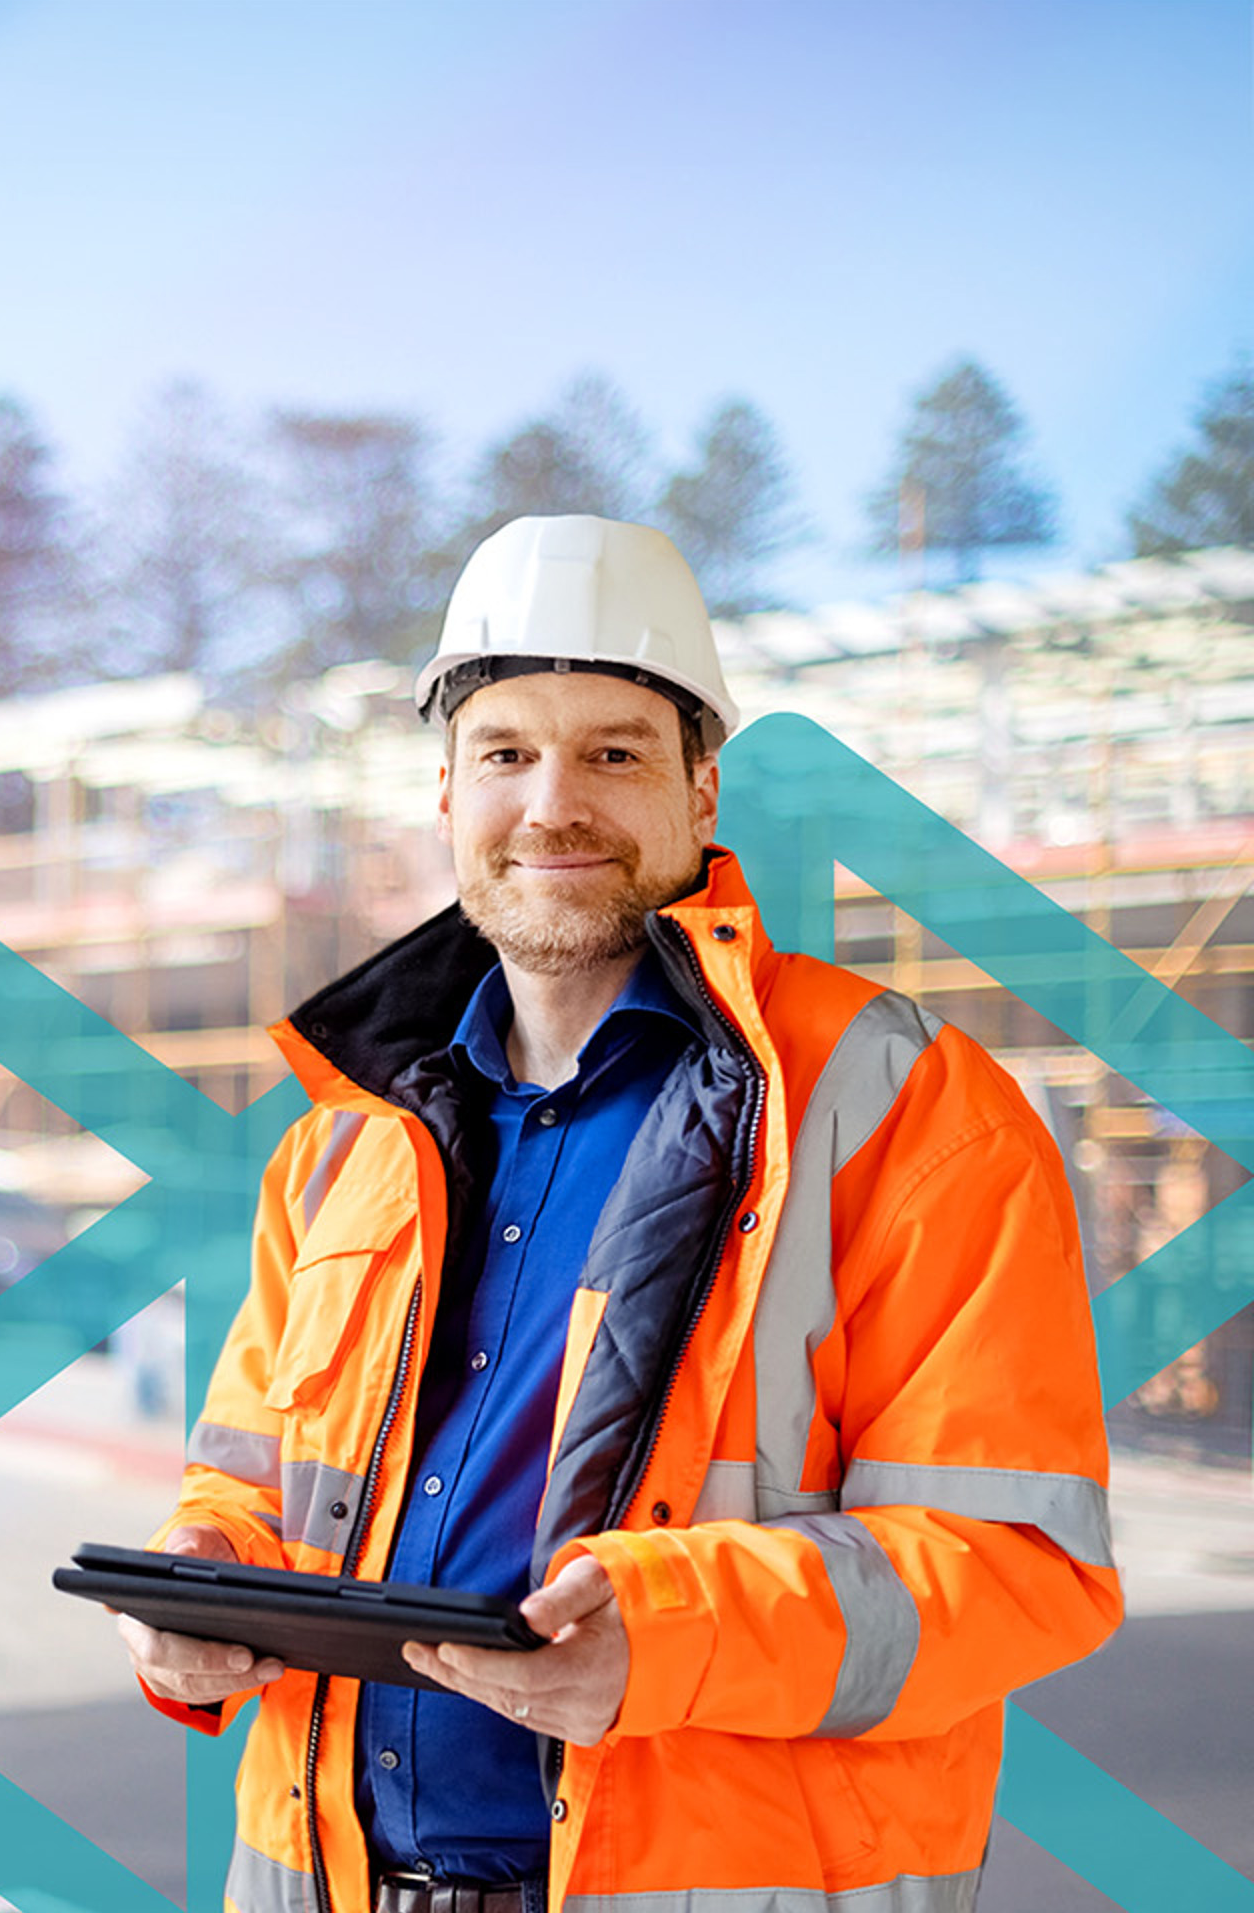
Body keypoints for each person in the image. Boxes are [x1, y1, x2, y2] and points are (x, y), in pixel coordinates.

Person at [121, 516, 1120, 1913]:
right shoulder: (340, 1144)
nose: (552, 805)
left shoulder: (902, 1110)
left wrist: (670, 1642)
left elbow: (1018, 1566)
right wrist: (207, 1578)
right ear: (448, 799)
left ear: (702, 794)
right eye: (507, 753)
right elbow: (252, 1484)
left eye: (614, 752)